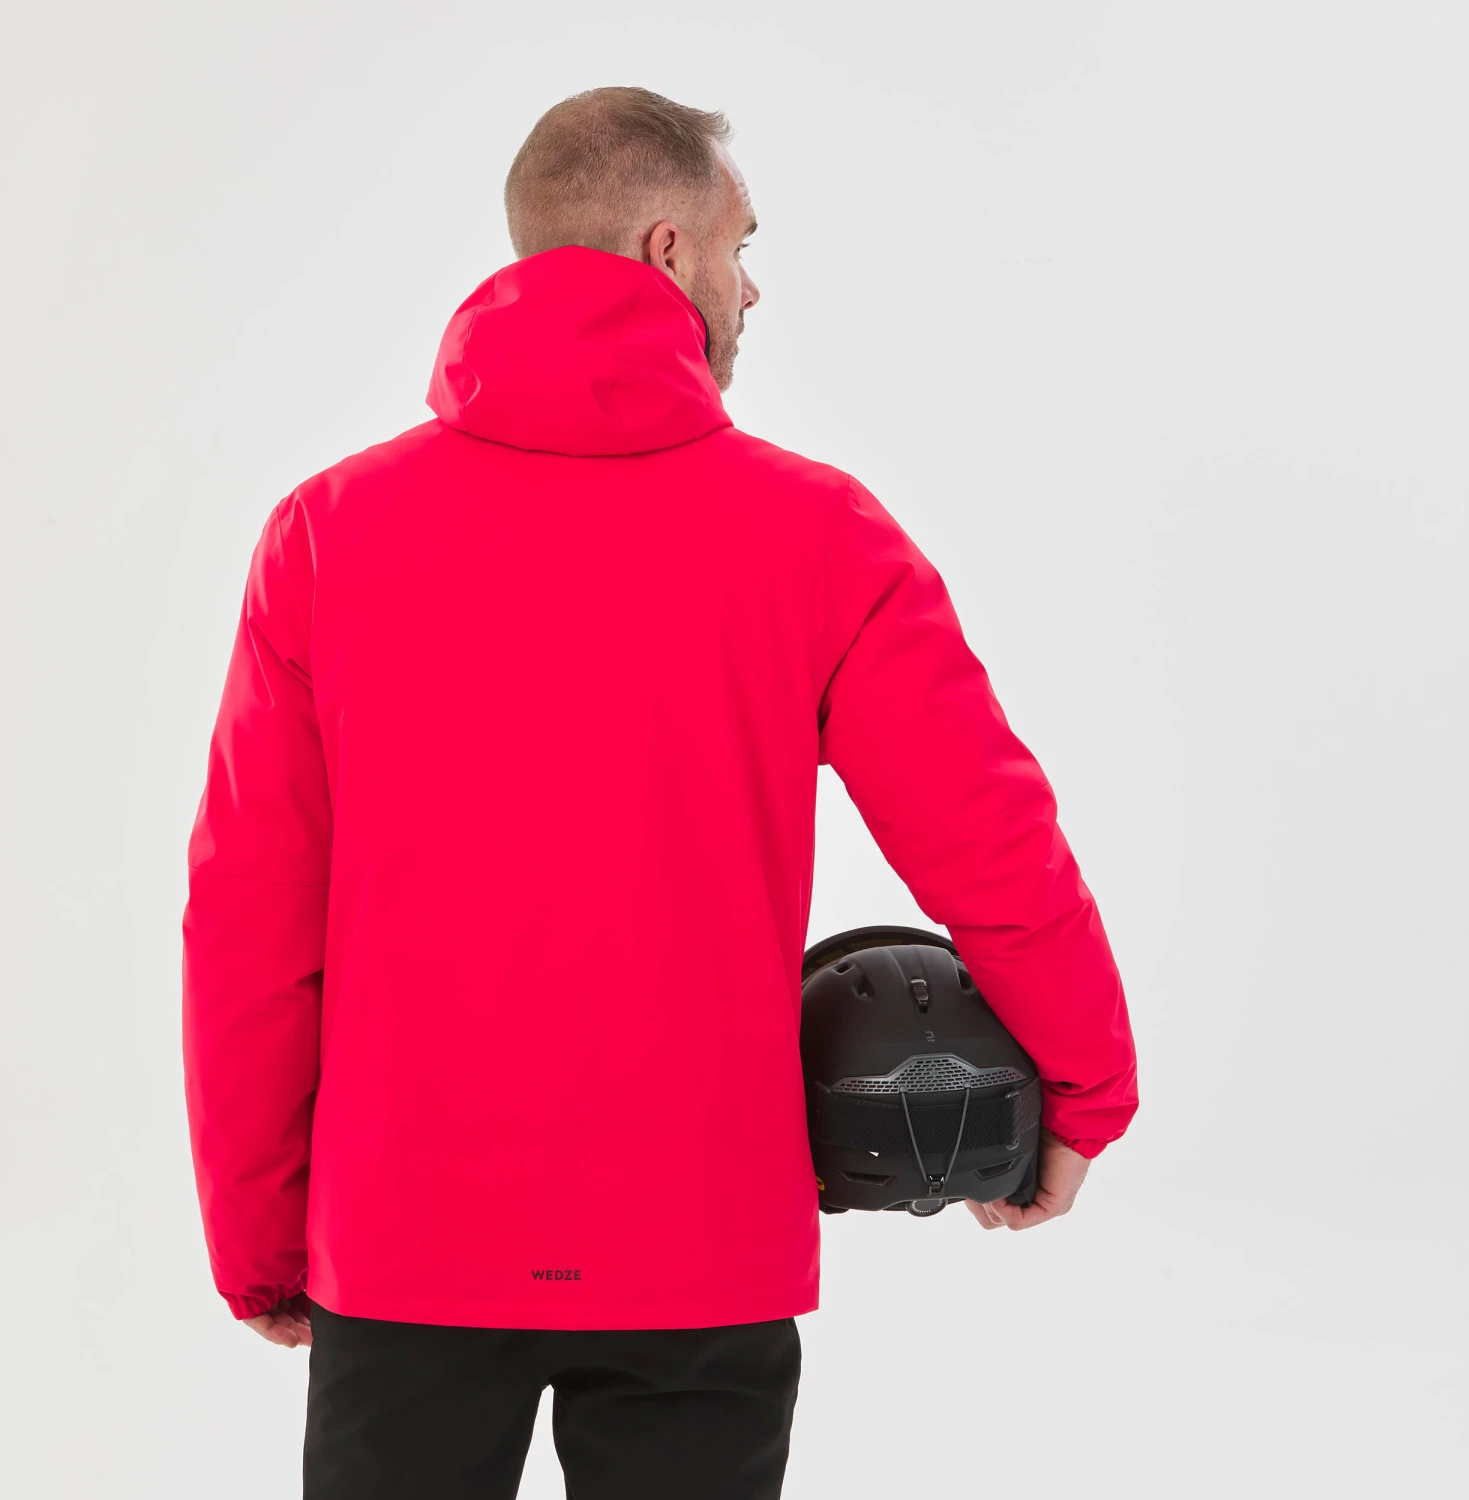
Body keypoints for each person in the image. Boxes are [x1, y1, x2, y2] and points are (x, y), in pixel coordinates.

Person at [181, 85, 1138, 1499]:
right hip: (702, 1244)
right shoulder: (820, 535)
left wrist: (259, 1233)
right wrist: (1081, 1089)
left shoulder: (329, 534)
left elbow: (250, 924)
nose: (752, 288)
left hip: (405, 1245)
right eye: (742, 246)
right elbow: (991, 843)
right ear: (667, 246)